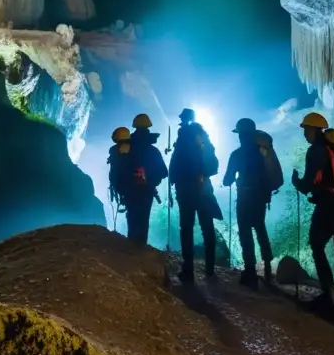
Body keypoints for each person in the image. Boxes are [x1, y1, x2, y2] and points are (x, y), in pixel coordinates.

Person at [291, 112, 334, 318]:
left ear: (314, 130)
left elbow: (309, 182)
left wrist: (297, 182)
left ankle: (327, 294)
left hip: (329, 206)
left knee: (317, 244)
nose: (305, 134)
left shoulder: (316, 151)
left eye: (306, 130)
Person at [169, 107, 222, 283]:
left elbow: (175, 166)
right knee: (207, 227)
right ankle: (209, 269)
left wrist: (174, 182)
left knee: (187, 229)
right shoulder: (203, 138)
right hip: (203, 190)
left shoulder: (183, 139)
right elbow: (213, 165)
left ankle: (188, 269)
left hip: (187, 191)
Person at [222, 117, 274, 289]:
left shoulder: (236, 155)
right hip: (260, 197)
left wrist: (229, 179)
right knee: (260, 228)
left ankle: (250, 272)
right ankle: (267, 268)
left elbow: (228, 179)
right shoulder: (262, 153)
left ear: (240, 135)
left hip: (244, 197)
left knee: (245, 234)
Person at [110, 114, 168, 246]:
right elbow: (164, 172)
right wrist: (151, 180)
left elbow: (119, 170)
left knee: (132, 220)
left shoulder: (125, 147)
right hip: (146, 191)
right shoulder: (152, 150)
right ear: (149, 126)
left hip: (129, 191)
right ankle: (140, 251)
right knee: (143, 222)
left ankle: (131, 250)